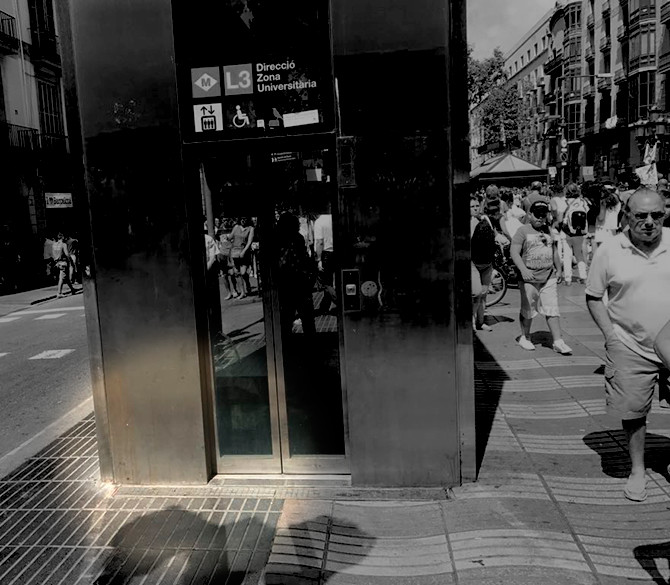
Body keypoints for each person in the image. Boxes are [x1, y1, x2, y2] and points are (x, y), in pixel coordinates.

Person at [585, 188, 670, 502]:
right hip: (629, 345)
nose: (649, 222)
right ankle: (637, 469)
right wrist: (610, 337)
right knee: (633, 411)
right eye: (641, 216)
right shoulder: (610, 249)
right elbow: (594, 296)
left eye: (656, 215)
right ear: (626, 216)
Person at [510, 201, 572, 354]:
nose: (540, 219)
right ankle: (525, 336)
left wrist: (559, 269)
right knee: (528, 308)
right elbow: (514, 252)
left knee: (552, 307)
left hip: (548, 275)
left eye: (543, 216)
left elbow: (554, 251)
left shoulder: (548, 230)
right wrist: (523, 270)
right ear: (530, 215)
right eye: (537, 215)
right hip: (529, 277)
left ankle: (558, 340)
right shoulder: (522, 231)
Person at [276, 212, 316, 338]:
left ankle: (287, 342)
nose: (299, 225)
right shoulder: (297, 238)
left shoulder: (278, 238)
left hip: (286, 282)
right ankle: (311, 341)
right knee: (307, 317)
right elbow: (303, 259)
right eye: (297, 223)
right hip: (299, 281)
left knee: (287, 316)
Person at [470, 195, 497, 331]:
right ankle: (472, 321)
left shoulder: (485, 219)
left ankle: (480, 322)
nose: (475, 209)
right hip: (473, 262)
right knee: (476, 292)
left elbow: (494, 235)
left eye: (476, 206)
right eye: (472, 206)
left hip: (486, 262)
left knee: (484, 294)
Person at [562, 183, 590, 285]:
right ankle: (583, 276)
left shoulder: (564, 201)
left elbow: (561, 215)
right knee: (579, 254)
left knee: (567, 255)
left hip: (567, 231)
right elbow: (587, 212)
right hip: (580, 232)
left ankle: (568, 279)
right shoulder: (583, 201)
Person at [314, 210, 336, 315]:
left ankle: (338, 302)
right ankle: (325, 306)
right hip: (336, 252)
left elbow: (319, 242)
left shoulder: (319, 222)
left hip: (326, 253)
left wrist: (318, 259)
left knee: (326, 282)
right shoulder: (333, 218)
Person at [230, 217, 254, 298]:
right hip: (234, 252)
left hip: (244, 252)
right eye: (242, 219)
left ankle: (247, 283)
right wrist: (226, 238)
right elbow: (230, 237)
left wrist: (244, 251)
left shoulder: (250, 229)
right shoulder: (236, 227)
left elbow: (249, 241)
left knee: (243, 272)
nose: (243, 220)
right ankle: (242, 292)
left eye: (245, 218)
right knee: (237, 273)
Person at [594, 185, 621, 249]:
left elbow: (601, 217)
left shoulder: (603, 202)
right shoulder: (618, 202)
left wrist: (595, 217)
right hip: (613, 228)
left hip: (602, 229)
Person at [52, 233, 78, 298]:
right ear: (62, 237)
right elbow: (67, 254)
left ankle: (72, 289)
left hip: (57, 262)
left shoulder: (54, 245)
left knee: (66, 277)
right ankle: (59, 293)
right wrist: (70, 261)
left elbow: (53, 254)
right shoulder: (63, 244)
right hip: (63, 262)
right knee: (62, 278)